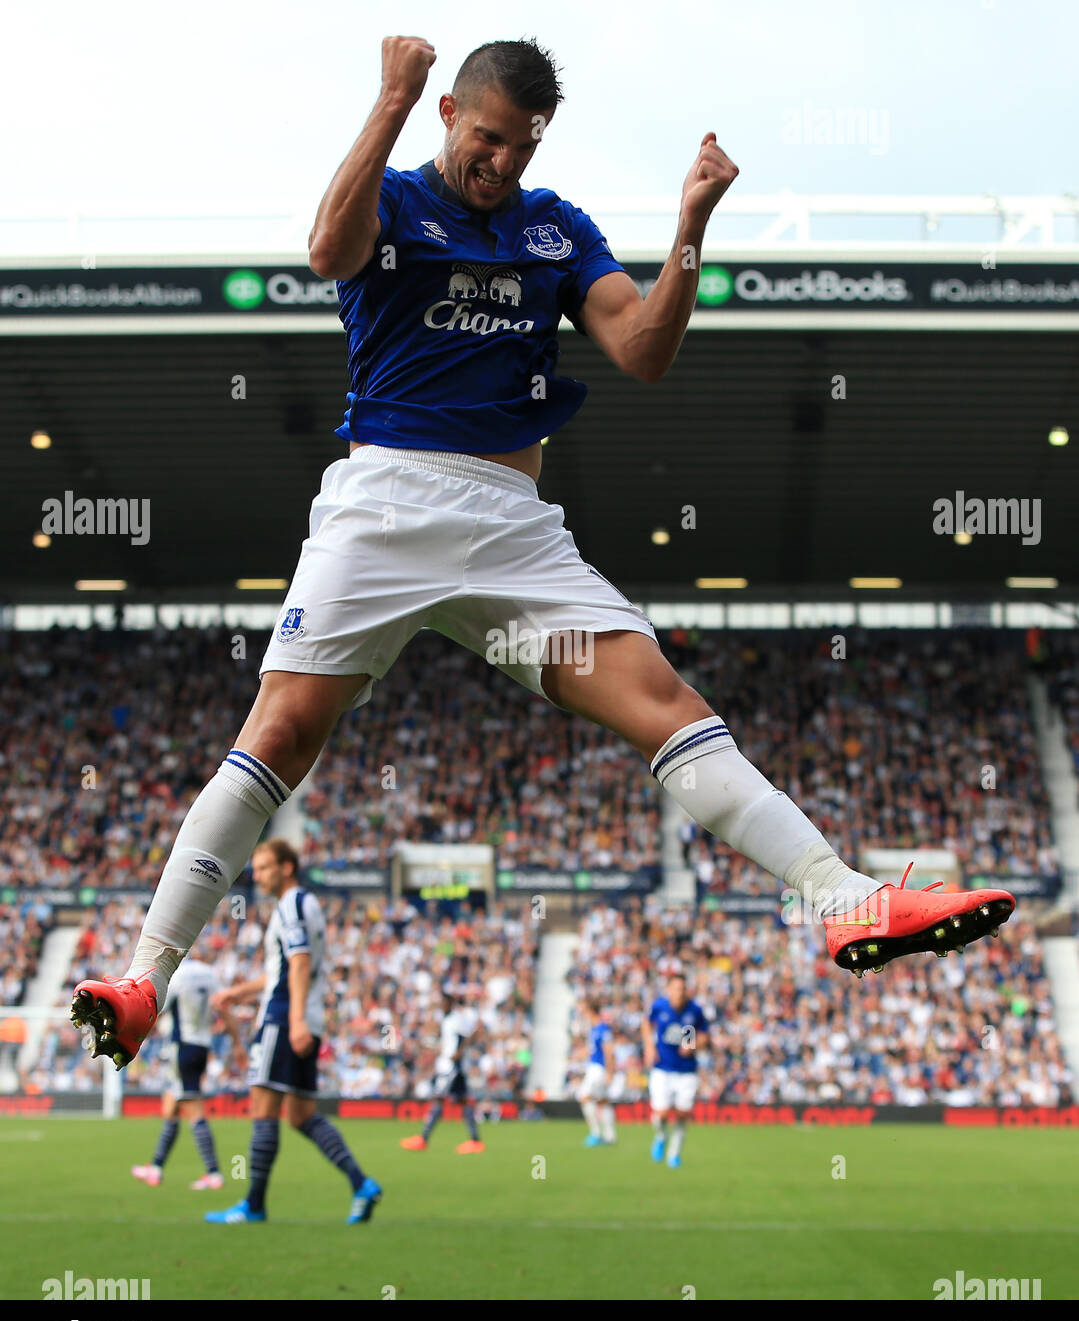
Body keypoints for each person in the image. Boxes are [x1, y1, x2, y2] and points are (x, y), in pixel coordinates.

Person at [70, 35, 1015, 1073]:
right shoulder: (388, 197)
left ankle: (844, 899)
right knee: (284, 725)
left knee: (662, 698)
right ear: (449, 115)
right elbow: (325, 253)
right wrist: (388, 97)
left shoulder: (554, 230)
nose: (501, 165)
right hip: (384, 499)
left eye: (520, 146)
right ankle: (147, 976)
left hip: (509, 521)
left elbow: (644, 351)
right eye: (486, 140)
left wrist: (691, 224)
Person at [203, 839, 381, 1224]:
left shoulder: (289, 906)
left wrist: (295, 1020)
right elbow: (284, 969)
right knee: (301, 1116)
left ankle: (253, 1205)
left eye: (266, 867)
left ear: (287, 867)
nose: (258, 874)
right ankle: (361, 1184)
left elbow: (298, 965)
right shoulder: (309, 904)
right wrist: (238, 991)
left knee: (262, 1109)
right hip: (306, 1017)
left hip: (284, 1019)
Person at [130, 949, 235, 1189]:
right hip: (202, 1046)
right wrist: (236, 1042)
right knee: (171, 1107)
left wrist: (137, 1040)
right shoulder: (211, 975)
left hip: (183, 1047)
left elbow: (157, 1010)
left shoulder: (179, 976)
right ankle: (155, 1168)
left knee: (194, 1109)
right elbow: (223, 1007)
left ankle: (214, 1172)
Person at [400, 989, 486, 1153]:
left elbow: (470, 1034)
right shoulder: (446, 1020)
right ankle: (475, 1141)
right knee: (462, 1101)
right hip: (450, 1065)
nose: (441, 1006)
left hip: (452, 1067)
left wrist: (459, 1053)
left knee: (438, 1099)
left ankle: (423, 1139)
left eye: (443, 1003)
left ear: (450, 1004)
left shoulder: (455, 1019)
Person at [642, 974, 708, 1169]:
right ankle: (661, 1136)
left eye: (683, 988)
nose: (680, 992)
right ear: (669, 990)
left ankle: (674, 1153)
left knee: (682, 1114)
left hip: (686, 1070)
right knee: (661, 1113)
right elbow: (646, 1023)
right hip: (662, 1067)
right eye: (676, 988)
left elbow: (704, 1034)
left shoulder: (694, 1010)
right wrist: (649, 1047)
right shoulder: (659, 1006)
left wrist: (693, 1044)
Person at [578, 997, 616, 1147]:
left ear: (590, 1011)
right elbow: (593, 1050)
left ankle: (596, 1134)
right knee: (602, 1101)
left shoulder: (603, 1029)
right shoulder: (594, 1029)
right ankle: (610, 1136)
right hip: (595, 1067)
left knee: (584, 1097)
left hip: (599, 1069)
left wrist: (610, 1072)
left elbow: (609, 1051)